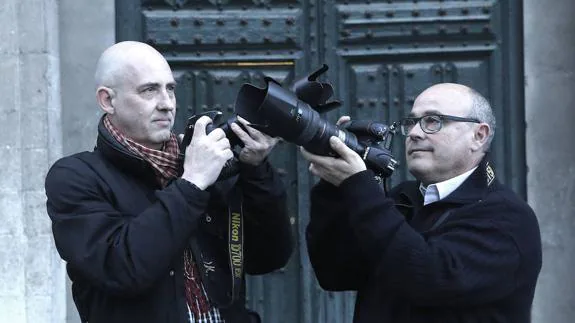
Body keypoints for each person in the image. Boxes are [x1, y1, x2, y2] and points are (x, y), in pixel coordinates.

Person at [45, 41, 293, 323]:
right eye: (148, 90)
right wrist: (192, 184)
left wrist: (255, 170)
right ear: (107, 100)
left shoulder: (201, 162)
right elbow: (121, 270)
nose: (166, 104)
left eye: (170, 88)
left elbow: (269, 257)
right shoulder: (75, 176)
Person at [301, 83, 542, 323]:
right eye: (412, 122)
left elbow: (430, 279)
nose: (415, 132)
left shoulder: (508, 218)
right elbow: (335, 274)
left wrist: (359, 186)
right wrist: (334, 186)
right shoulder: (402, 199)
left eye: (433, 121)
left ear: (478, 136)